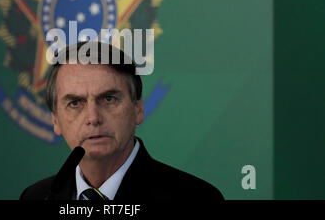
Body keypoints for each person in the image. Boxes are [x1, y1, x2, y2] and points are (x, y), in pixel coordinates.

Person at [20, 41, 223, 200]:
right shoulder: (35, 197)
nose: (93, 118)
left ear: (138, 108)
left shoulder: (196, 197)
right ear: (55, 120)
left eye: (109, 99)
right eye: (75, 103)